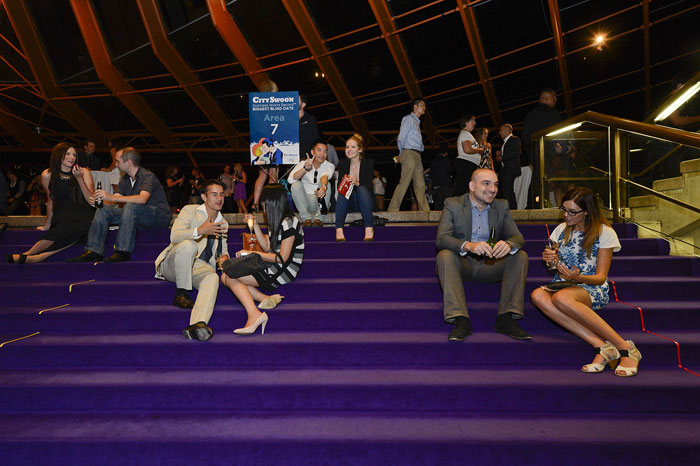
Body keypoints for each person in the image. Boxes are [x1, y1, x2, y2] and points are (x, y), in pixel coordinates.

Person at [530, 187, 641, 376]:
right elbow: (554, 266)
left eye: (572, 212)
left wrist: (577, 277)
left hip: (592, 287)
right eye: (564, 210)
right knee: (537, 295)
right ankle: (602, 346)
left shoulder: (604, 232)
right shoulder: (560, 230)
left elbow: (600, 277)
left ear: (587, 211)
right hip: (563, 284)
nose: (566, 215)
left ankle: (626, 348)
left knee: (562, 299)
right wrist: (550, 260)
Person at [435, 168, 531, 342]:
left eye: (495, 184)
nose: (492, 189)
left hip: (491, 265)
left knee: (520, 255)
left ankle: (506, 318)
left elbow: (517, 237)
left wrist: (508, 244)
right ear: (471, 186)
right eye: (486, 183)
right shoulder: (453, 204)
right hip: (462, 264)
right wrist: (468, 245)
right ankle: (461, 319)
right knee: (444, 255)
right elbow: (441, 239)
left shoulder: (501, 206)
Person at [220, 184, 305, 336]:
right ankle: (265, 299)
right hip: (274, 263)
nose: (262, 206)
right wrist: (257, 226)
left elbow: (282, 259)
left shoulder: (289, 222)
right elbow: (267, 247)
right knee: (226, 276)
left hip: (284, 269)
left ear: (273, 202)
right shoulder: (278, 221)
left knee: (230, 276)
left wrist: (252, 254)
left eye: (264, 202)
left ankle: (255, 314)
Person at [67, 146, 171, 263]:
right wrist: (101, 202)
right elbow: (115, 200)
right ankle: (94, 250)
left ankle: (122, 251)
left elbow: (142, 199)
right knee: (103, 211)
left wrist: (109, 196)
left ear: (129, 162)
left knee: (130, 206)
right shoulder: (125, 179)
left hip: (158, 217)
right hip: (137, 216)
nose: (115, 164)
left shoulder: (147, 175)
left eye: (118, 161)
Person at [154, 180, 229, 341]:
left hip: (200, 267)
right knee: (189, 245)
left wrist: (224, 258)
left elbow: (223, 251)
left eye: (222, 194)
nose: (219, 198)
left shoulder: (223, 223)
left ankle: (197, 325)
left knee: (212, 277)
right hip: (174, 263)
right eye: (214, 194)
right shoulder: (190, 211)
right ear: (204, 197)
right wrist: (200, 230)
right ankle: (181, 293)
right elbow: (175, 236)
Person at [7, 143, 95, 264]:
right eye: (68, 154)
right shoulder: (47, 174)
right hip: (62, 215)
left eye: (74, 154)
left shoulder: (83, 171)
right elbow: (51, 200)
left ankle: (40, 257)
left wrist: (79, 179)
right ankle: (27, 253)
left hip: (83, 214)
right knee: (58, 230)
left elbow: (92, 200)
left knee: (77, 226)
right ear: (59, 155)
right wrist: (47, 225)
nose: (72, 157)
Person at [387, 98, 429, 212]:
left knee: (420, 185)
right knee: (404, 182)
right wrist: (401, 154)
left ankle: (425, 211)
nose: (424, 108)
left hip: (417, 155)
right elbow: (401, 138)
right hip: (408, 153)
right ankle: (392, 210)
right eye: (422, 105)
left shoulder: (417, 122)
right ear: (415, 107)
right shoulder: (408, 119)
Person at [521, 89, 562, 207]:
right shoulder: (553, 113)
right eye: (553, 97)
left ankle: (533, 204)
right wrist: (557, 145)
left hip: (536, 152)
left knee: (537, 179)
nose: (556, 99)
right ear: (546, 98)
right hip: (549, 152)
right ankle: (542, 203)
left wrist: (531, 157)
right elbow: (557, 131)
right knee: (549, 179)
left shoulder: (531, 115)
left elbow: (525, 137)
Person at [335, 134, 375, 242]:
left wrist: (356, 182)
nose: (349, 150)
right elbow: (339, 186)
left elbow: (369, 186)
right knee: (342, 191)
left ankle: (369, 229)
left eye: (353, 147)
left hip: (365, 201)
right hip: (349, 201)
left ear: (360, 149)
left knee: (362, 189)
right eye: (347, 147)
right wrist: (346, 182)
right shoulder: (343, 163)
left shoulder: (368, 163)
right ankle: (339, 229)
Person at [288, 139, 333, 227]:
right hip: (305, 201)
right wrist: (305, 169)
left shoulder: (329, 165)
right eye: (319, 150)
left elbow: (325, 175)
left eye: (325, 151)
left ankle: (319, 218)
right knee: (296, 184)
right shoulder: (303, 163)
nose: (322, 154)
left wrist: (323, 187)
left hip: (319, 201)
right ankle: (306, 218)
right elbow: (290, 180)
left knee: (327, 184)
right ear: (312, 152)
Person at [454, 115, 482, 197]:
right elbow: (467, 149)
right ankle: (454, 206)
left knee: (463, 188)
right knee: (461, 189)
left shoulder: (467, 134)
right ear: (466, 123)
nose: (475, 123)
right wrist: (480, 150)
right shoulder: (465, 134)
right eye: (472, 121)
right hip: (465, 163)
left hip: (467, 163)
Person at [497, 124, 521, 210]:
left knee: (507, 189)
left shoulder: (514, 139)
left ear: (507, 130)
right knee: (506, 189)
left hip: (511, 169)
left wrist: (502, 158)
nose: (500, 133)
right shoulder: (505, 142)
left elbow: (516, 152)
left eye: (501, 130)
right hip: (505, 169)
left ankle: (510, 209)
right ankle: (511, 208)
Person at [429, 142, 453, 211]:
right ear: (446, 152)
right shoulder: (446, 160)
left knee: (437, 206)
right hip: (446, 186)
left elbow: (431, 175)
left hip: (436, 186)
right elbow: (450, 170)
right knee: (447, 206)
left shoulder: (433, 161)